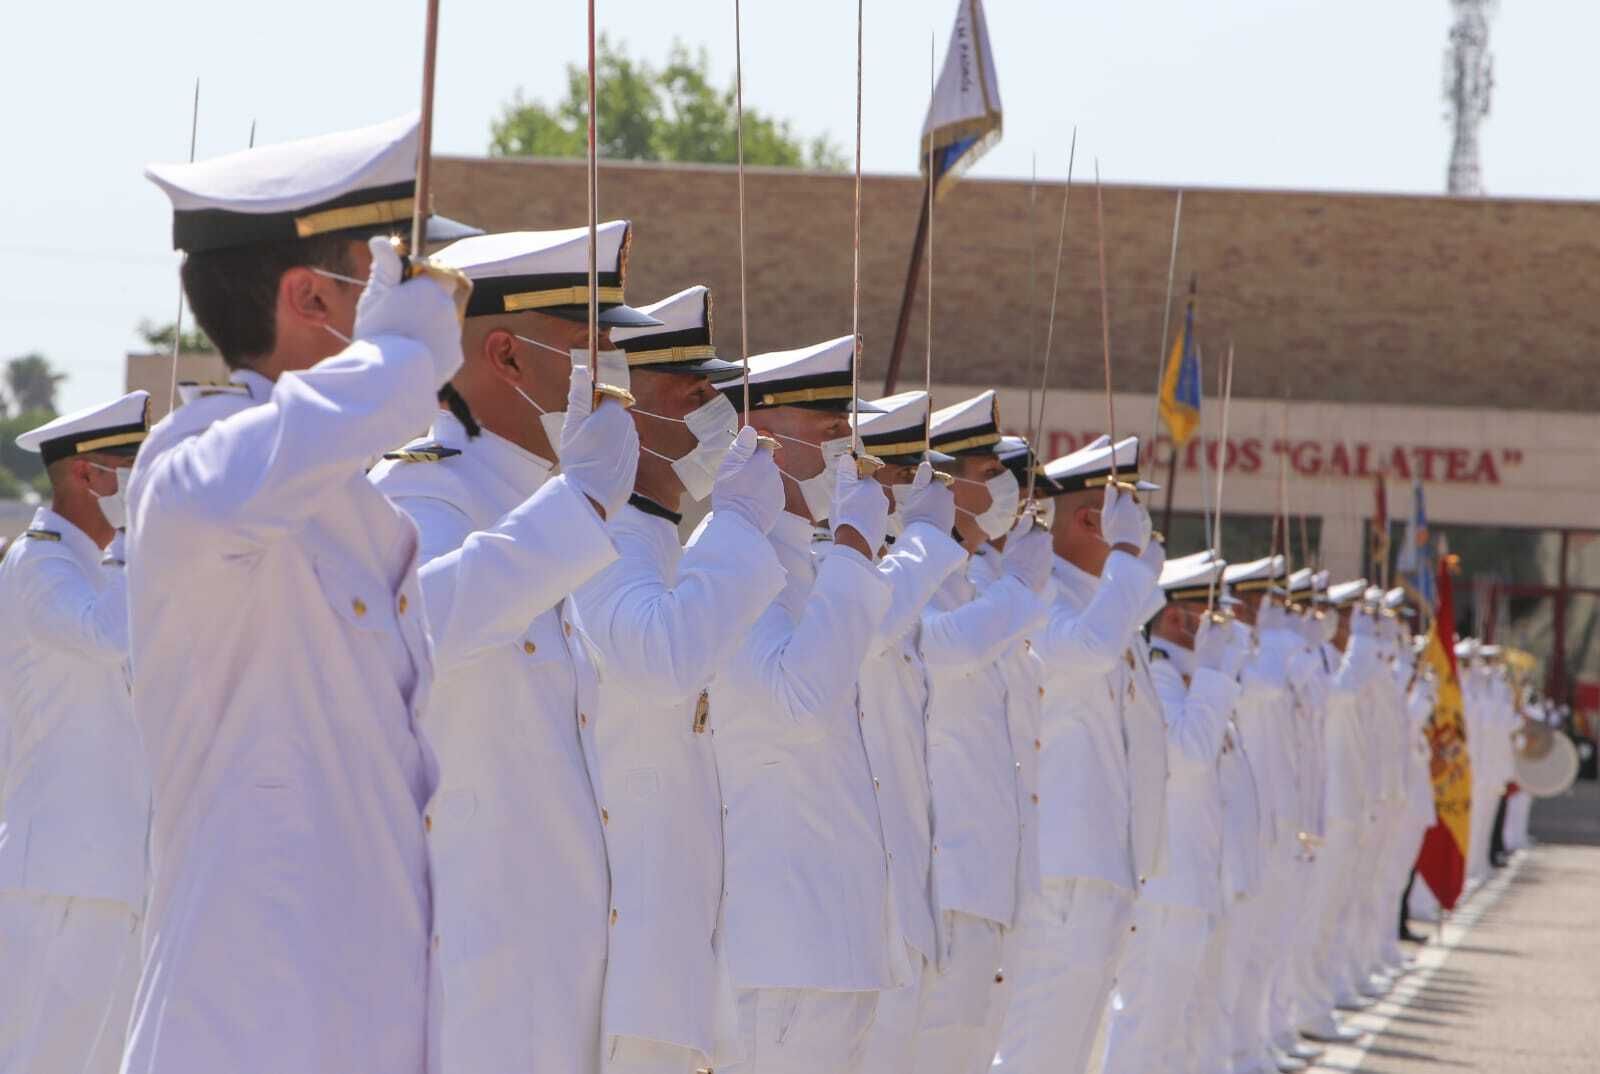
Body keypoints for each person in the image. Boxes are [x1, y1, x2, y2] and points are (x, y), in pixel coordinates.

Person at [125, 113, 502, 1074]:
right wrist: (400, 361)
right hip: (249, 1020)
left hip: (357, 1014)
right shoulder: (192, 475)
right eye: (375, 282)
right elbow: (271, 462)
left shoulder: (339, 502)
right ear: (308, 297)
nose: (432, 308)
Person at [368, 225, 648, 1074]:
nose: (613, 379)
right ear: (508, 355)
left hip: (546, 970)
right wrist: (580, 509)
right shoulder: (426, 491)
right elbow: (415, 628)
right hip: (472, 976)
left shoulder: (530, 503)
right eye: (587, 350)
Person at [566, 285, 791, 1074]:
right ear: (623, 409)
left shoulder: (654, 544)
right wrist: (734, 525)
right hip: (632, 973)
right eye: (691, 392)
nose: (715, 411)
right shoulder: (601, 543)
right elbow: (661, 662)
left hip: (677, 965)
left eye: (715, 391)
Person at [697, 337, 895, 1074]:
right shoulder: (741, 557)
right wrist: (850, 545)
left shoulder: (799, 559)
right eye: (830, 424)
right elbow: (795, 701)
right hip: (784, 942)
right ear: (765, 433)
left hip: (829, 937)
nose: (851, 445)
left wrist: (843, 551)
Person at [995, 436, 1166, 1074]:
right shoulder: (1042, 594)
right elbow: (1086, 653)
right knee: (1037, 1050)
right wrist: (1126, 559)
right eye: (1128, 518)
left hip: (1102, 866)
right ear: (1091, 521)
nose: (1142, 532)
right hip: (1059, 869)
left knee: (1073, 1052)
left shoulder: (1105, 603)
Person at [0, 392, 151, 1074]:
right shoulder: (41, 565)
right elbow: (106, 635)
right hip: (62, 871)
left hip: (108, 870)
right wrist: (136, 538)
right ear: (91, 477)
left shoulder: (92, 564)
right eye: (131, 470)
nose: (141, 489)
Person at [913, 398, 1054, 1074]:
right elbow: (939, 647)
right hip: (946, 878)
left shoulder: (976, 580)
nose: (1005, 488)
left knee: (975, 1050)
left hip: (992, 876)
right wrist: (1017, 591)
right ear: (944, 479)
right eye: (988, 469)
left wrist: (1013, 587)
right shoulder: (917, 576)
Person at [850, 391, 968, 1074]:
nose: (926, 494)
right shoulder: (833, 572)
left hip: (905, 910)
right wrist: (926, 540)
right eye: (909, 477)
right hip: (853, 919)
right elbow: (864, 622)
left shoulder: (895, 576)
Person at [1102, 551, 1243, 1074]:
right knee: (1145, 1023)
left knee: (1172, 1026)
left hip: (1189, 880)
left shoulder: (1184, 678)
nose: (1223, 627)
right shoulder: (1161, 677)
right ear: (1178, 617)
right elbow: (1187, 758)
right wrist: (1210, 673)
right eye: (1214, 615)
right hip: (1164, 884)